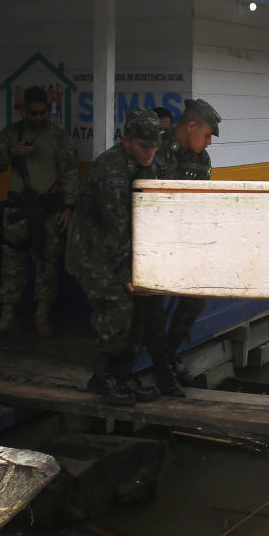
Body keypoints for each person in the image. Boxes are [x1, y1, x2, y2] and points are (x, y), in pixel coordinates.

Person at [65, 106, 164, 406]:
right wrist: (127, 276)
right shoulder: (112, 171)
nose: (149, 153)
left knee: (137, 313)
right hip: (92, 253)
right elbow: (117, 229)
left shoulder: (149, 164)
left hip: (122, 252)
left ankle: (124, 376)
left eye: (154, 146)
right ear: (127, 141)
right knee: (118, 309)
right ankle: (104, 377)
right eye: (144, 146)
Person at [0, 85, 79, 338]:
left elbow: (70, 173)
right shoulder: (11, 134)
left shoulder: (57, 137)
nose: (38, 117)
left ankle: (41, 317)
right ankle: (7, 317)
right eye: (33, 113)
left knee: (46, 264)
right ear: (24, 110)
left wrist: (69, 207)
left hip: (47, 209)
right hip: (17, 208)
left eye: (42, 113)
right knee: (12, 265)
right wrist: (10, 152)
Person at [146, 98, 222, 392]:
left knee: (196, 296)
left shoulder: (201, 160)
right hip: (152, 242)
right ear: (191, 126)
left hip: (184, 241)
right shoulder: (155, 148)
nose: (209, 143)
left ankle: (167, 353)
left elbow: (200, 203)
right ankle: (161, 367)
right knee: (151, 307)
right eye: (206, 136)